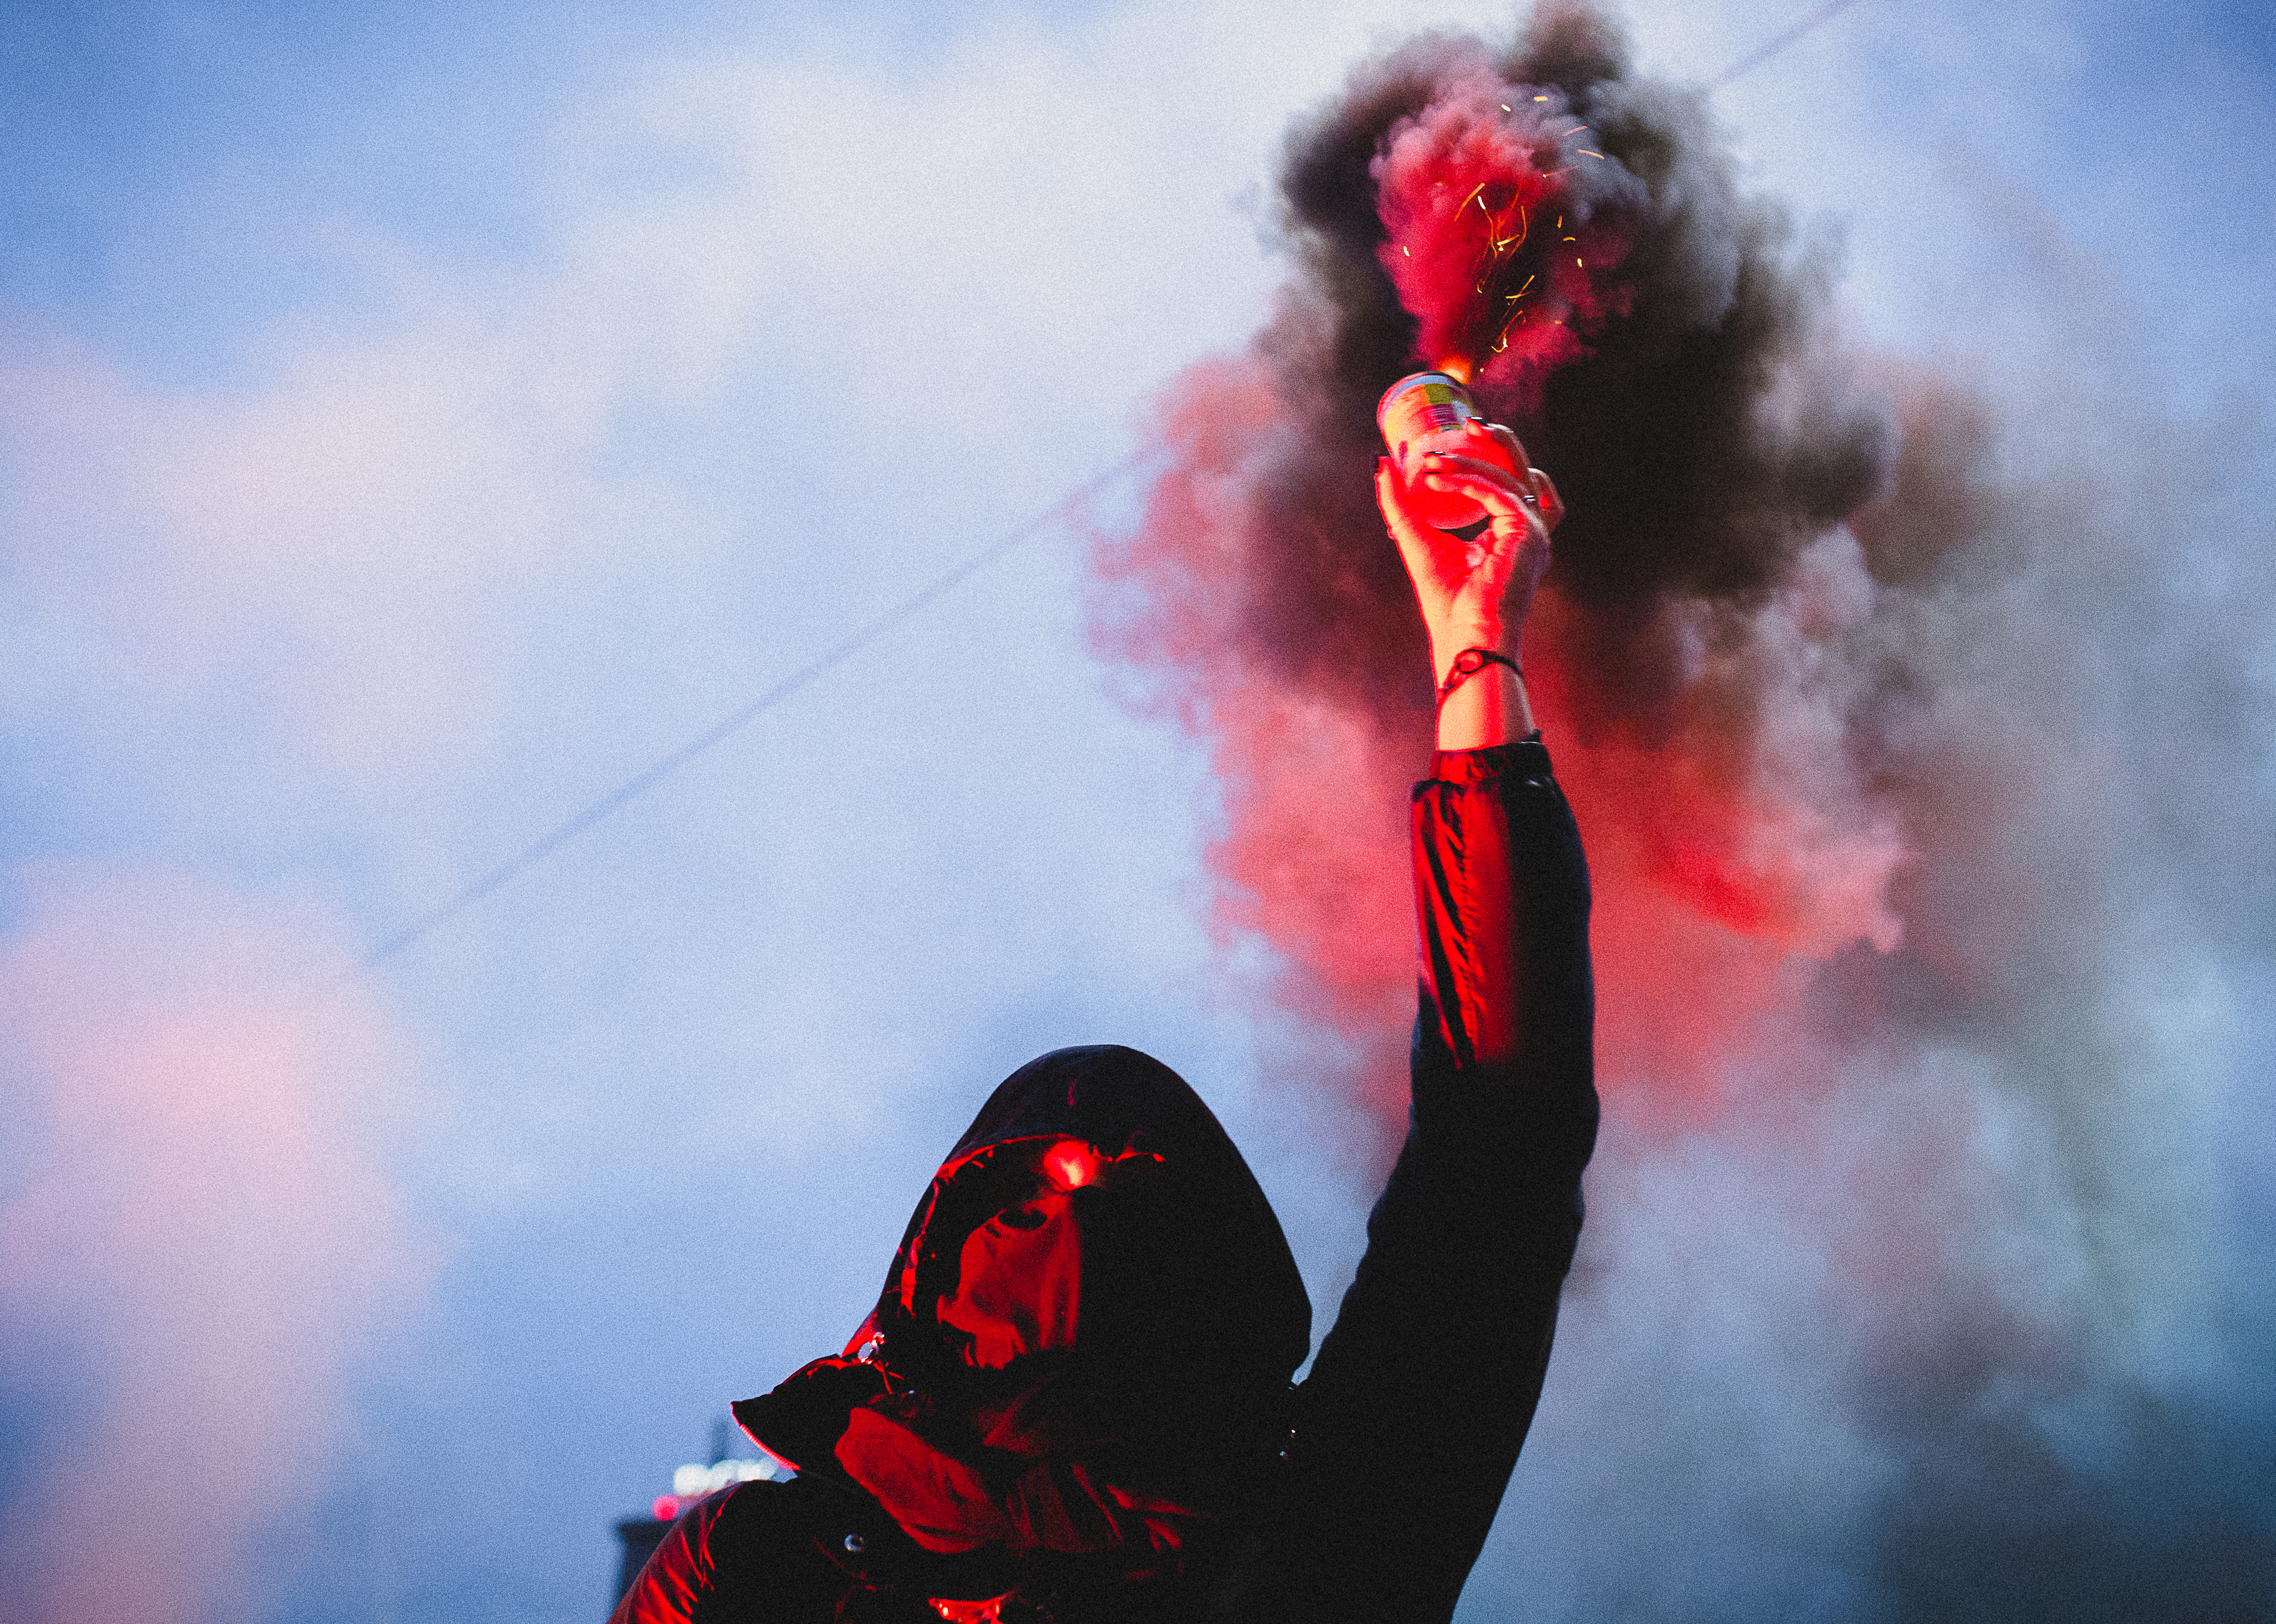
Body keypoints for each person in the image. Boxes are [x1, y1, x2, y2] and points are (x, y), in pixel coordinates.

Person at [611, 427, 1597, 1624]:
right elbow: (1497, 1162)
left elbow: (1495, 1167)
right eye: (1029, 1193)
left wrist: (1475, 652)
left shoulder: (1319, 1532)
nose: (1074, 1199)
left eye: (1118, 1188)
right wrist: (1474, 657)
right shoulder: (773, 1564)